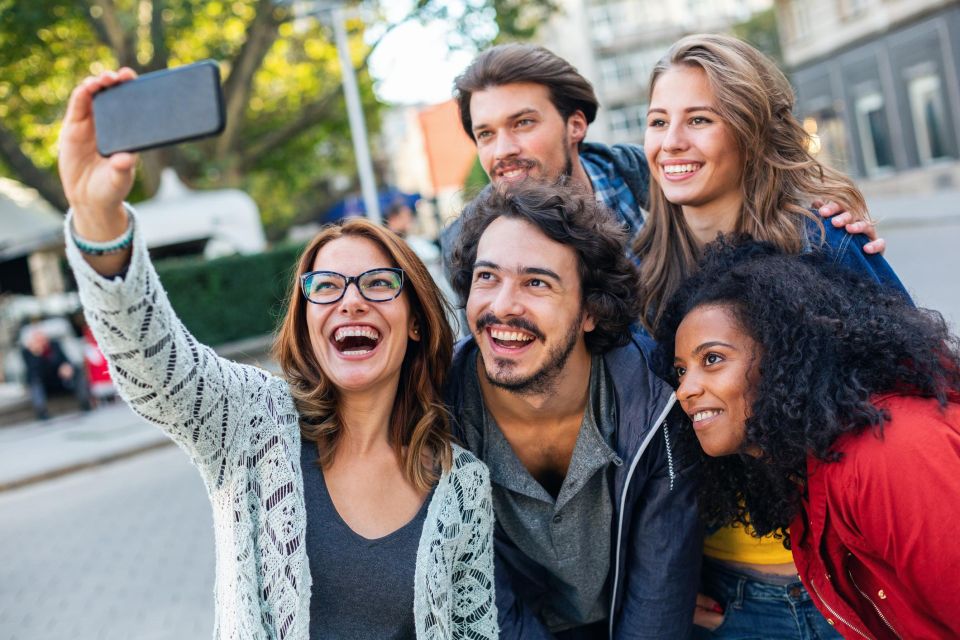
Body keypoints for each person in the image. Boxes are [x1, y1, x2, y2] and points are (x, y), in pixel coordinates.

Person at [58, 69, 498, 639]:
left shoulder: (462, 486)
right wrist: (99, 220)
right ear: (308, 320)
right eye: (327, 287)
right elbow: (153, 363)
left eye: (377, 284)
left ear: (415, 321)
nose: (351, 302)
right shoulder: (253, 421)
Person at [634, 33, 910, 638]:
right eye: (658, 121)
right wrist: (665, 583)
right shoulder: (642, 280)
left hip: (850, 584)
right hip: (726, 602)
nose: (671, 141)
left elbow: (914, 402)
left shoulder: (826, 245)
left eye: (699, 119)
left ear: (749, 129)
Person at [657, 239, 960, 640]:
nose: (684, 391)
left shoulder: (891, 453)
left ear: (783, 357)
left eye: (712, 359)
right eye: (681, 371)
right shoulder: (803, 470)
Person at [446, 180, 701, 639]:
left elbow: (658, 605)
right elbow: (483, 602)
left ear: (590, 311)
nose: (502, 306)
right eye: (487, 277)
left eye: (536, 282)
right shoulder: (438, 413)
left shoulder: (655, 405)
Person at [447, 42, 883, 259]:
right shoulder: (473, 248)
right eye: (485, 134)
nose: (503, 150)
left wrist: (828, 228)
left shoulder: (644, 179)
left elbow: (740, 186)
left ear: (575, 124)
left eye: (522, 123)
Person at [20, 324, 90, 420]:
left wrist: (66, 366)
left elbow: (65, 359)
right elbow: (32, 372)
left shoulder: (54, 345)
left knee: (76, 370)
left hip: (59, 379)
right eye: (37, 338)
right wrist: (37, 354)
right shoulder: (27, 352)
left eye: (42, 336)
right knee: (35, 382)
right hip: (44, 384)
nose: (41, 340)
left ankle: (85, 403)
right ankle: (42, 412)